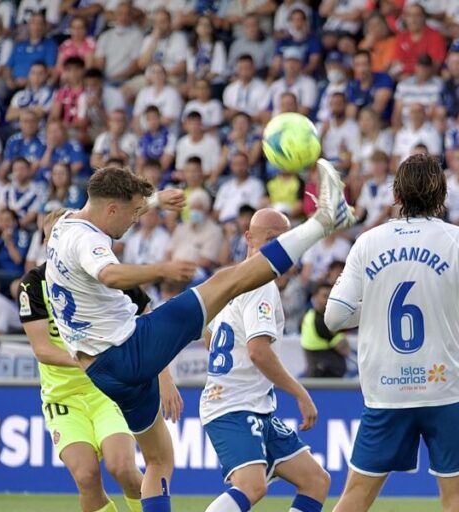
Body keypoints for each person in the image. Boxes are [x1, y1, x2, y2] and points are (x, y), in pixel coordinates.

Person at [45, 161, 352, 511]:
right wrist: (161, 269)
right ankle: (326, 220)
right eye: (131, 214)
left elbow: (120, 204)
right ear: (112, 208)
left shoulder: (67, 223)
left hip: (103, 373)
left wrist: (157, 199)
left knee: (159, 461)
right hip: (129, 348)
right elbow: (111, 275)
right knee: (227, 280)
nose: (135, 220)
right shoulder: (87, 240)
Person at [325, 154, 459, 512]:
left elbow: (334, 317)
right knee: (457, 503)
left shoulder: (368, 242)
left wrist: (372, 310)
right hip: (446, 388)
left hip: (386, 390)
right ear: (443, 195)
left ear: (396, 194)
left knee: (353, 500)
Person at [19, 210, 166, 512]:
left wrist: (164, 377)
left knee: (122, 467)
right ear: (48, 242)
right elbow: (42, 350)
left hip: (107, 388)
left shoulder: (101, 270)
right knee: (86, 477)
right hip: (64, 398)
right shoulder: (33, 284)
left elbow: (148, 319)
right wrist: (86, 360)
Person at [301, 282, 349, 378]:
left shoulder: (310, 315)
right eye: (325, 296)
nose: (328, 300)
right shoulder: (320, 321)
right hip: (325, 377)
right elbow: (345, 349)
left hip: (321, 373)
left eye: (331, 296)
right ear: (315, 297)